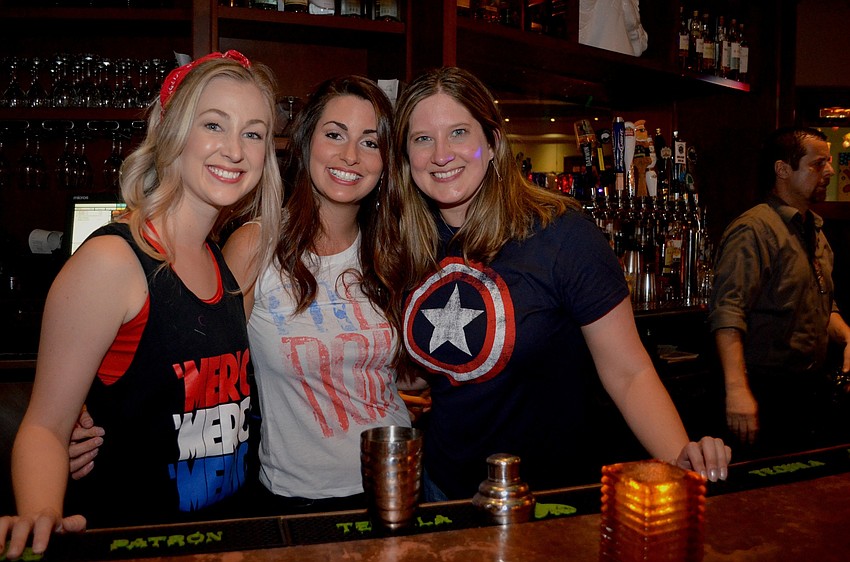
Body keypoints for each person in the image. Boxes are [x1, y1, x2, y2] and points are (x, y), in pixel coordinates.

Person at [386, 66, 731, 501]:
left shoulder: (562, 234)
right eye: (422, 139)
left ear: (492, 144)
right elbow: (438, 364)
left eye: (458, 132)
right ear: (405, 155)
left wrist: (680, 457)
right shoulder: (407, 244)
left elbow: (629, 372)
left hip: (547, 497)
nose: (441, 154)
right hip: (443, 490)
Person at [0, 50, 282, 559]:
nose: (234, 149)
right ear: (173, 133)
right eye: (214, 124)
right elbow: (43, 427)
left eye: (253, 132)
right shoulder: (113, 262)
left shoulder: (221, 262)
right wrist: (42, 515)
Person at [221, 75, 413, 514]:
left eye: (370, 142)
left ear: (385, 161)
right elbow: (201, 364)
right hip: (298, 497)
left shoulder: (391, 252)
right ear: (307, 142)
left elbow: (396, 371)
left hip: (398, 484)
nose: (350, 156)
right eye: (334, 135)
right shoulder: (257, 245)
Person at [709, 126, 850, 457]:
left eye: (829, 162)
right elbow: (728, 313)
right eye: (818, 164)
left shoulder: (812, 228)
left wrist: (848, 336)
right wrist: (736, 389)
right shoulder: (754, 229)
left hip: (806, 389)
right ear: (783, 169)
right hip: (764, 390)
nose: (829, 171)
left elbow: (821, 305)